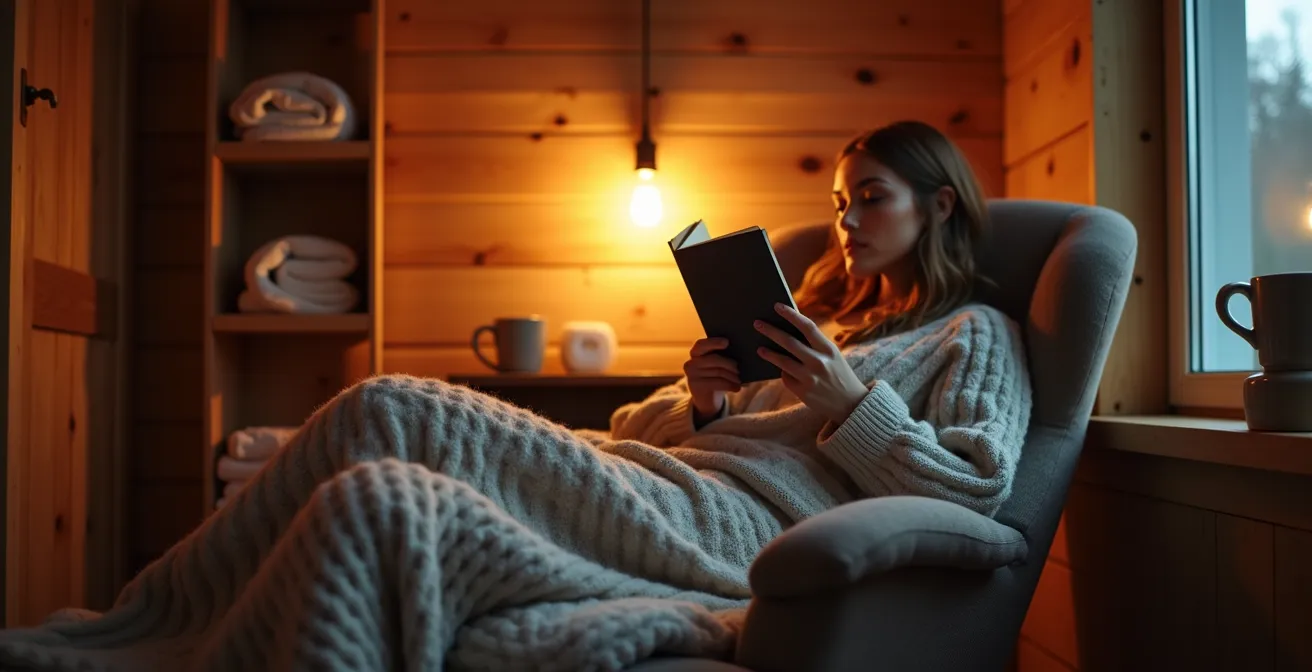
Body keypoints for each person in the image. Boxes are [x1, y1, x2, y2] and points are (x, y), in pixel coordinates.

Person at [0, 120, 1032, 672]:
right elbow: (639, 433)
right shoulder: (818, 319)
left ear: (939, 205)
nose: (848, 220)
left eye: (872, 200)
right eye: (839, 200)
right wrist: (704, 402)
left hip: (739, 528)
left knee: (385, 408)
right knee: (377, 472)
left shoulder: (969, 333)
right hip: (668, 477)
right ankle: (150, 624)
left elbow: (976, 488)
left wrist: (850, 399)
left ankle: (137, 631)